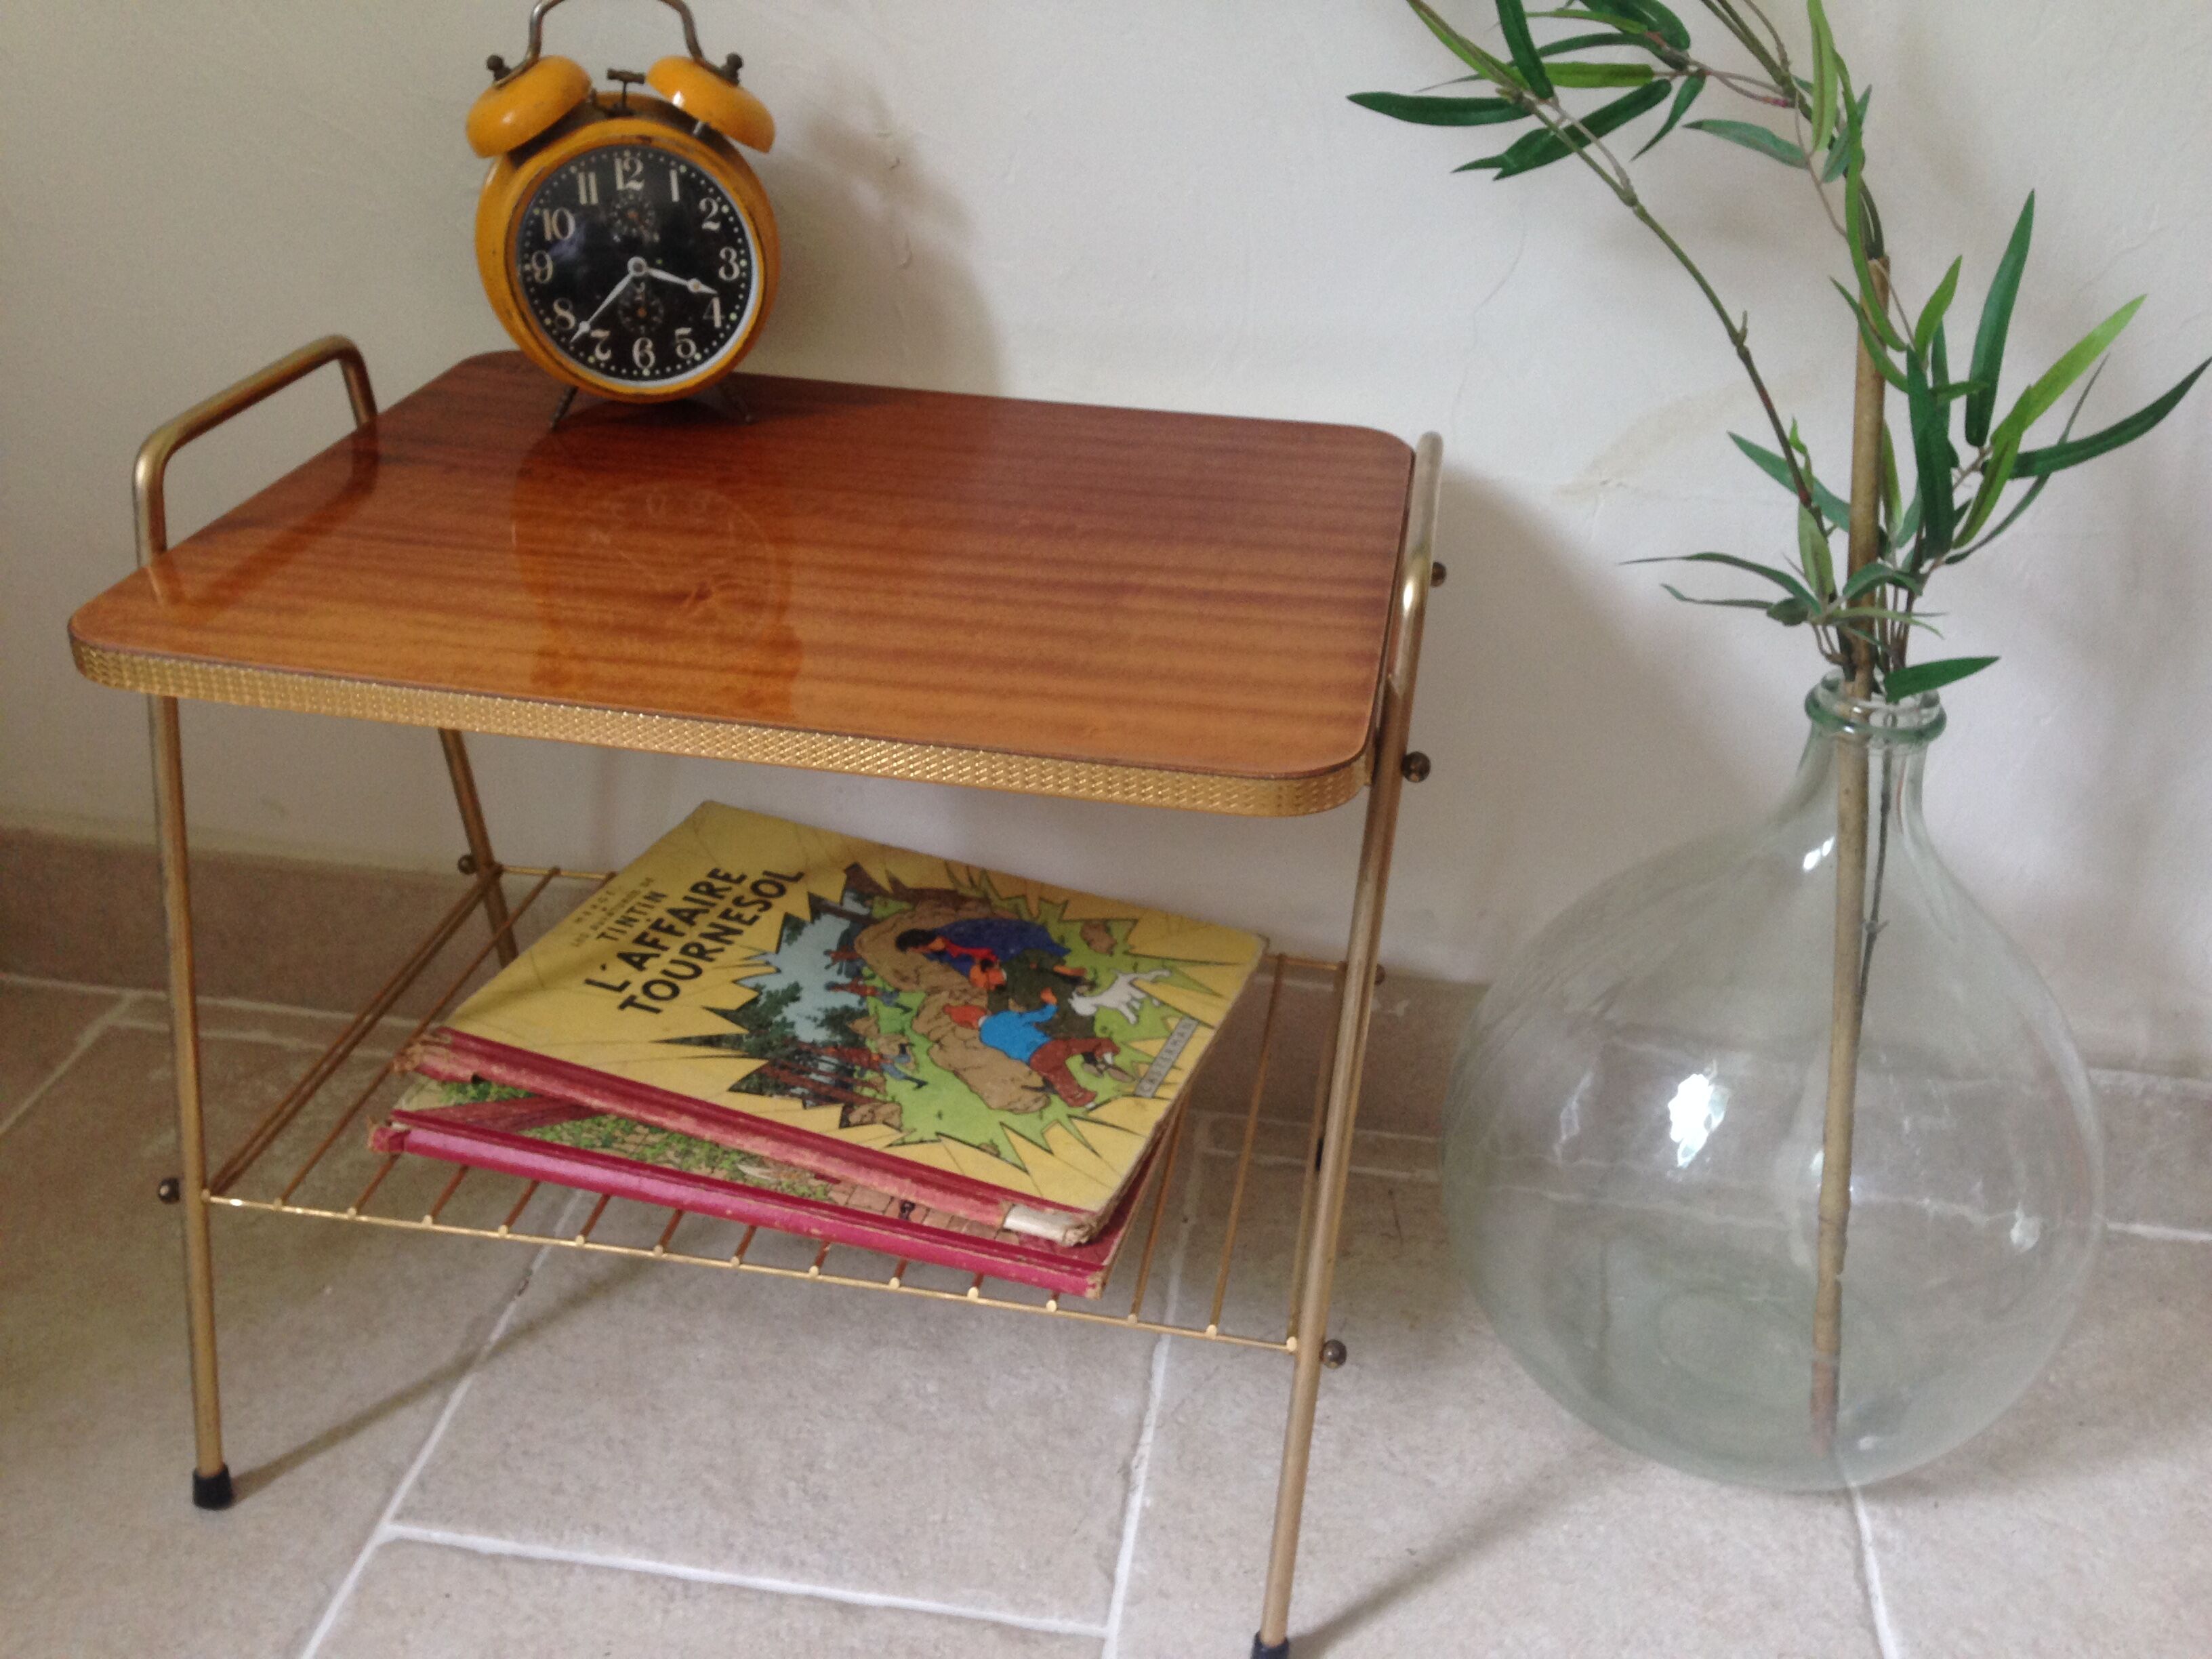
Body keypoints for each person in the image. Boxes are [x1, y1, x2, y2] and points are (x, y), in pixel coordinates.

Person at [945, 988, 1128, 1109]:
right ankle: (1106, 1057)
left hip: (1036, 1060)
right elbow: (1040, 1016)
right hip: (1051, 1046)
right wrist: (1051, 1004)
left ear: (969, 1026)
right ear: (982, 1011)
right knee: (1084, 1044)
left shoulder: (985, 1037)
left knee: (1064, 1081)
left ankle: (1090, 1106)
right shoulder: (1006, 1016)